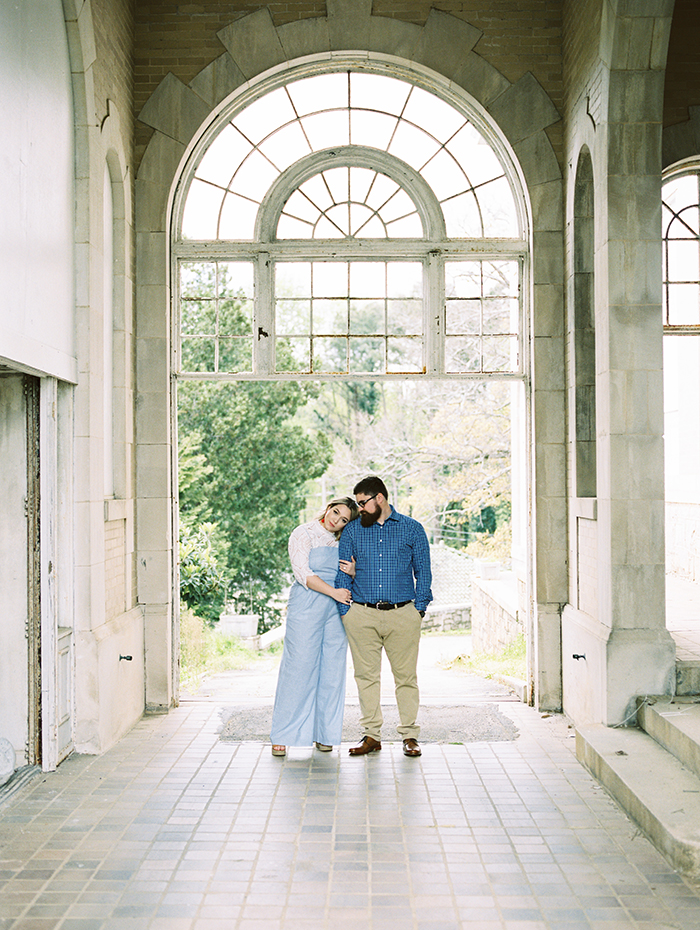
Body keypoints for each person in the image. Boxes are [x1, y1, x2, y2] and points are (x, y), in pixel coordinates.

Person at [335, 476, 432, 758]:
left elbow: (423, 571)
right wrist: (347, 612)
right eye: (357, 504)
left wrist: (419, 609)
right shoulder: (352, 532)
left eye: (363, 503)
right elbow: (343, 572)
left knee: (406, 677)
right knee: (365, 677)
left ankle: (410, 735)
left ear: (380, 498)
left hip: (403, 613)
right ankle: (372, 735)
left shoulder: (412, 529)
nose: (359, 509)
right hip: (361, 615)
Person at [270, 497, 359, 757]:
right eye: (335, 512)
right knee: (298, 667)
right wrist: (335, 593)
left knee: (332, 669)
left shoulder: (345, 540)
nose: (336, 520)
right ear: (328, 507)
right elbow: (302, 573)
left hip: (336, 609)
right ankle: (283, 735)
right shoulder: (303, 532)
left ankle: (325, 733)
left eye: (344, 520)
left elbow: (355, 570)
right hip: (308, 604)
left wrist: (354, 571)